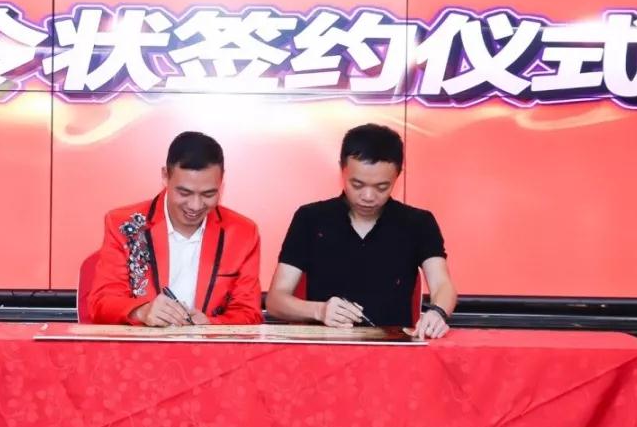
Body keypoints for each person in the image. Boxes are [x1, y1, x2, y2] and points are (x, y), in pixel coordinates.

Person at [266, 124, 457, 338]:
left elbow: (442, 284)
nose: (368, 196)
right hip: (325, 349)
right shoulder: (310, 219)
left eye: (382, 187)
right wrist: (319, 310)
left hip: (393, 350)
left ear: (398, 175)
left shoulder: (418, 223)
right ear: (342, 169)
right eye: (357, 184)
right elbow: (275, 300)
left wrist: (438, 312)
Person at [88, 131, 263, 326]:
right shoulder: (125, 225)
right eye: (184, 193)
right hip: (144, 344)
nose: (195, 205)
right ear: (165, 176)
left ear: (221, 183)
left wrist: (211, 324)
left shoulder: (242, 233)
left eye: (208, 194)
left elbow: (249, 312)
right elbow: (101, 303)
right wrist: (141, 312)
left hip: (208, 344)